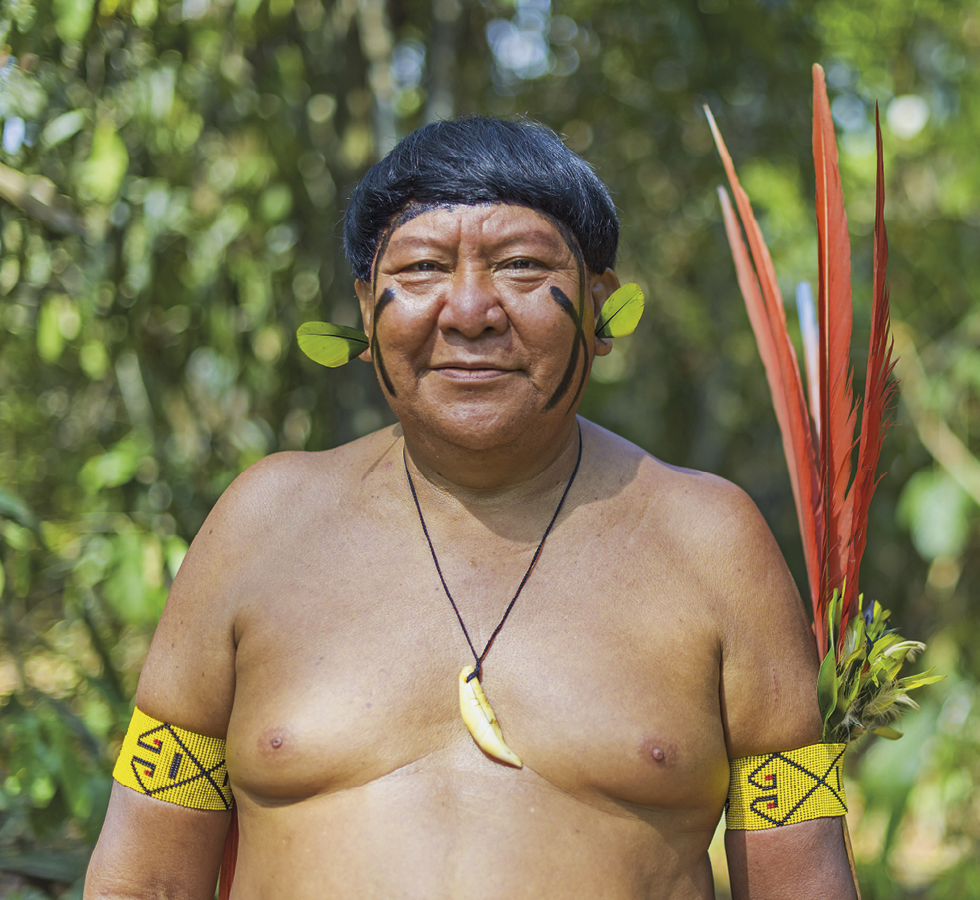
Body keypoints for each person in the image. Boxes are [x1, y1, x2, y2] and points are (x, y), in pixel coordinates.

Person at [85, 117, 857, 899]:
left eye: (522, 265)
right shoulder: (263, 524)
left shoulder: (711, 542)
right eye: (420, 268)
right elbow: (144, 881)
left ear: (599, 307)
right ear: (364, 310)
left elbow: (805, 886)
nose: (468, 311)